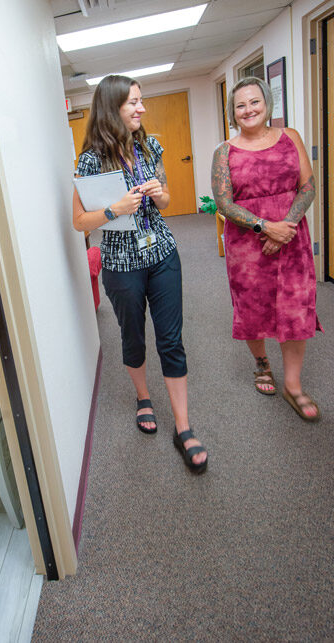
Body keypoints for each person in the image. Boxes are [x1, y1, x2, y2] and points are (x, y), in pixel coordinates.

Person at [73, 75, 207, 474]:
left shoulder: (150, 145)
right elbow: (80, 221)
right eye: (133, 102)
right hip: (120, 265)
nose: (141, 108)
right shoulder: (91, 161)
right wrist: (116, 209)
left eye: (141, 101)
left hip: (163, 253)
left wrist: (156, 192)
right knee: (133, 336)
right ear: (112, 108)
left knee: (171, 338)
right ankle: (143, 397)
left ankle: (183, 426)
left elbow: (166, 198)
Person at [211, 76, 322, 421]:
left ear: (267, 104)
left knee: (295, 308)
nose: (248, 110)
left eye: (254, 102)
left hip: (291, 238)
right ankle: (261, 362)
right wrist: (264, 226)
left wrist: (284, 227)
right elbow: (224, 203)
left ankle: (293, 385)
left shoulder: (290, 138)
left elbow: (308, 186)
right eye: (240, 105)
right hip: (247, 246)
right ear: (233, 112)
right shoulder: (224, 152)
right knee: (253, 308)